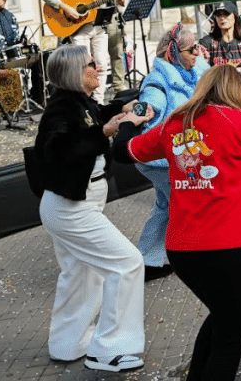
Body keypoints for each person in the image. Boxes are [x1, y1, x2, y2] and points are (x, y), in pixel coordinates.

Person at [115, 65, 241, 381]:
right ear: (237, 90)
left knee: (222, 317)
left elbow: (123, 152)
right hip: (231, 247)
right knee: (231, 335)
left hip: (181, 249)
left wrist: (129, 123)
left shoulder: (174, 124)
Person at [33, 44, 151, 372]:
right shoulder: (60, 109)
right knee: (127, 264)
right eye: (90, 65)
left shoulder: (78, 102)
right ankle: (109, 350)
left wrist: (122, 109)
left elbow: (95, 114)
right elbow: (61, 149)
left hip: (78, 203)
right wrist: (105, 132)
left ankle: (67, 343)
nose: (97, 67)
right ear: (74, 73)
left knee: (81, 274)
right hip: (70, 208)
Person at [132, 23, 210, 280]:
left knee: (166, 206)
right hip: (160, 161)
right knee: (187, 206)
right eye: (191, 50)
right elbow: (146, 106)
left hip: (177, 158)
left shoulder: (192, 69)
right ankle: (192, 258)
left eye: (198, 47)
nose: (197, 53)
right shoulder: (158, 81)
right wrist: (142, 112)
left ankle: (148, 261)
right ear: (173, 53)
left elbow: (210, 79)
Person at [40, 0, 121, 104]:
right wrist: (66, 7)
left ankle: (98, 102)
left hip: (99, 22)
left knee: (102, 63)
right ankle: (83, 101)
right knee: (82, 66)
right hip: (77, 25)